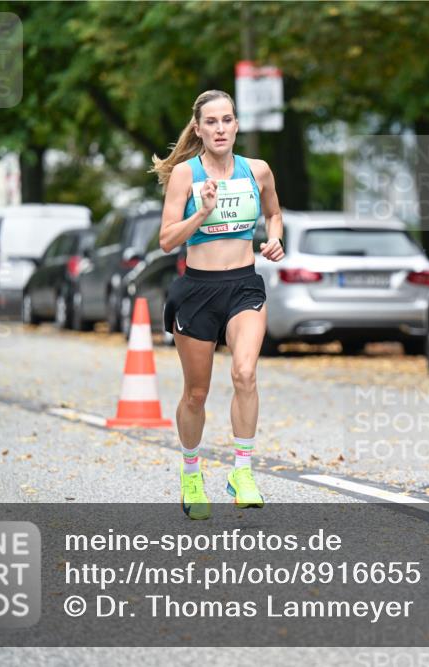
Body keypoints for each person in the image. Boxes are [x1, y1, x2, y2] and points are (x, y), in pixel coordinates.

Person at [150, 90, 285, 519]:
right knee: (196, 392)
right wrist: (202, 212)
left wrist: (276, 237)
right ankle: (192, 475)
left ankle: (242, 471)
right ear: (199, 128)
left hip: (244, 285)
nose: (220, 128)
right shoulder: (185, 176)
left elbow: (274, 213)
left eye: (227, 120)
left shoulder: (257, 170)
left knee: (245, 373)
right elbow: (168, 239)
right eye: (211, 122)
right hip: (198, 290)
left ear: (237, 125)